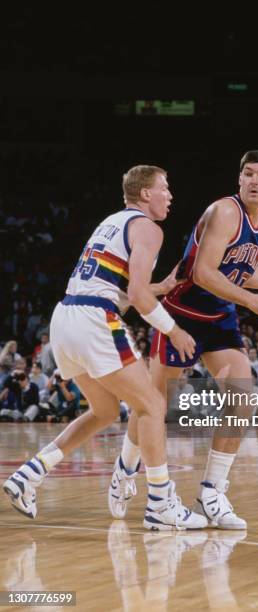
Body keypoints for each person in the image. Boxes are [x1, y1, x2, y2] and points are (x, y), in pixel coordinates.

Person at [111, 150, 258, 528]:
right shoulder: (224, 212)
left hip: (220, 318)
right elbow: (203, 272)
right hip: (182, 314)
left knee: (244, 398)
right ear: (239, 179)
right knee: (153, 404)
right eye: (247, 173)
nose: (253, 180)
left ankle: (212, 492)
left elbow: (243, 273)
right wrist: (253, 301)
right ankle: (125, 468)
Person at [3, 164, 206, 531]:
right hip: (94, 321)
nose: (170, 196)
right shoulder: (148, 228)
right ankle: (160, 502)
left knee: (105, 410)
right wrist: (174, 330)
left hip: (65, 318)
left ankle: (29, 475)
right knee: (153, 405)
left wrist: (159, 287)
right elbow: (138, 299)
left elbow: (122, 292)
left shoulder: (111, 222)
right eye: (165, 187)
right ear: (146, 194)